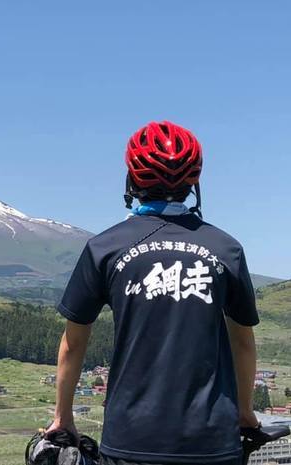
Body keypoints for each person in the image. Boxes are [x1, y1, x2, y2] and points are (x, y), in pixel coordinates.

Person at [47, 121, 260, 465]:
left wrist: (63, 416)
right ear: (194, 183)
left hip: (130, 437)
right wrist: (245, 412)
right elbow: (243, 343)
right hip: (212, 442)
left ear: (131, 181)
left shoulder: (104, 248)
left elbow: (73, 343)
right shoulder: (226, 249)